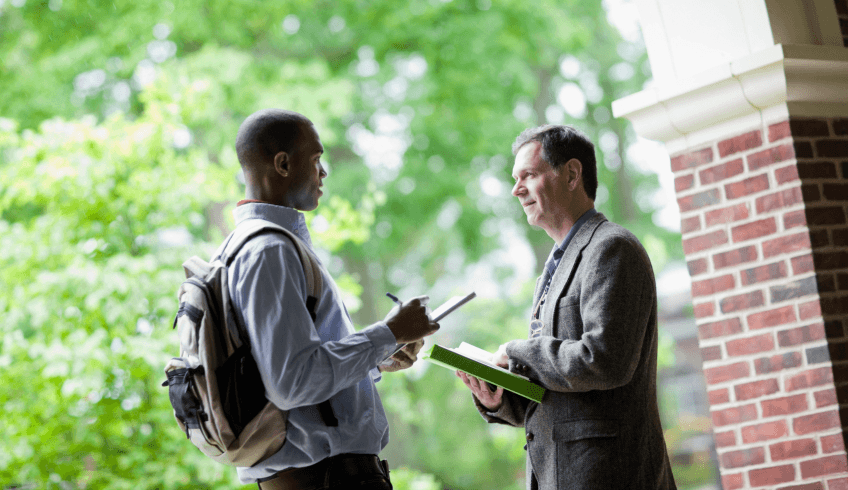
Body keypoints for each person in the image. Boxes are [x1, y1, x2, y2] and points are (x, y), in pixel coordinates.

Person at [457, 124, 677, 489]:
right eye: (515, 179)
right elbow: (555, 390)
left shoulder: (611, 248)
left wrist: (516, 351)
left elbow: (605, 361)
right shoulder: (554, 265)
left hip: (610, 477)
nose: (516, 189)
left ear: (572, 174)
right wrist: (499, 398)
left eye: (528, 175)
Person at [229, 108, 439, 489]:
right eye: (316, 160)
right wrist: (389, 333)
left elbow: (304, 369)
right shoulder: (269, 251)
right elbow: (291, 382)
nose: (323, 172)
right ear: (282, 164)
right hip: (326, 480)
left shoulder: (268, 247)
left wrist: (380, 355)